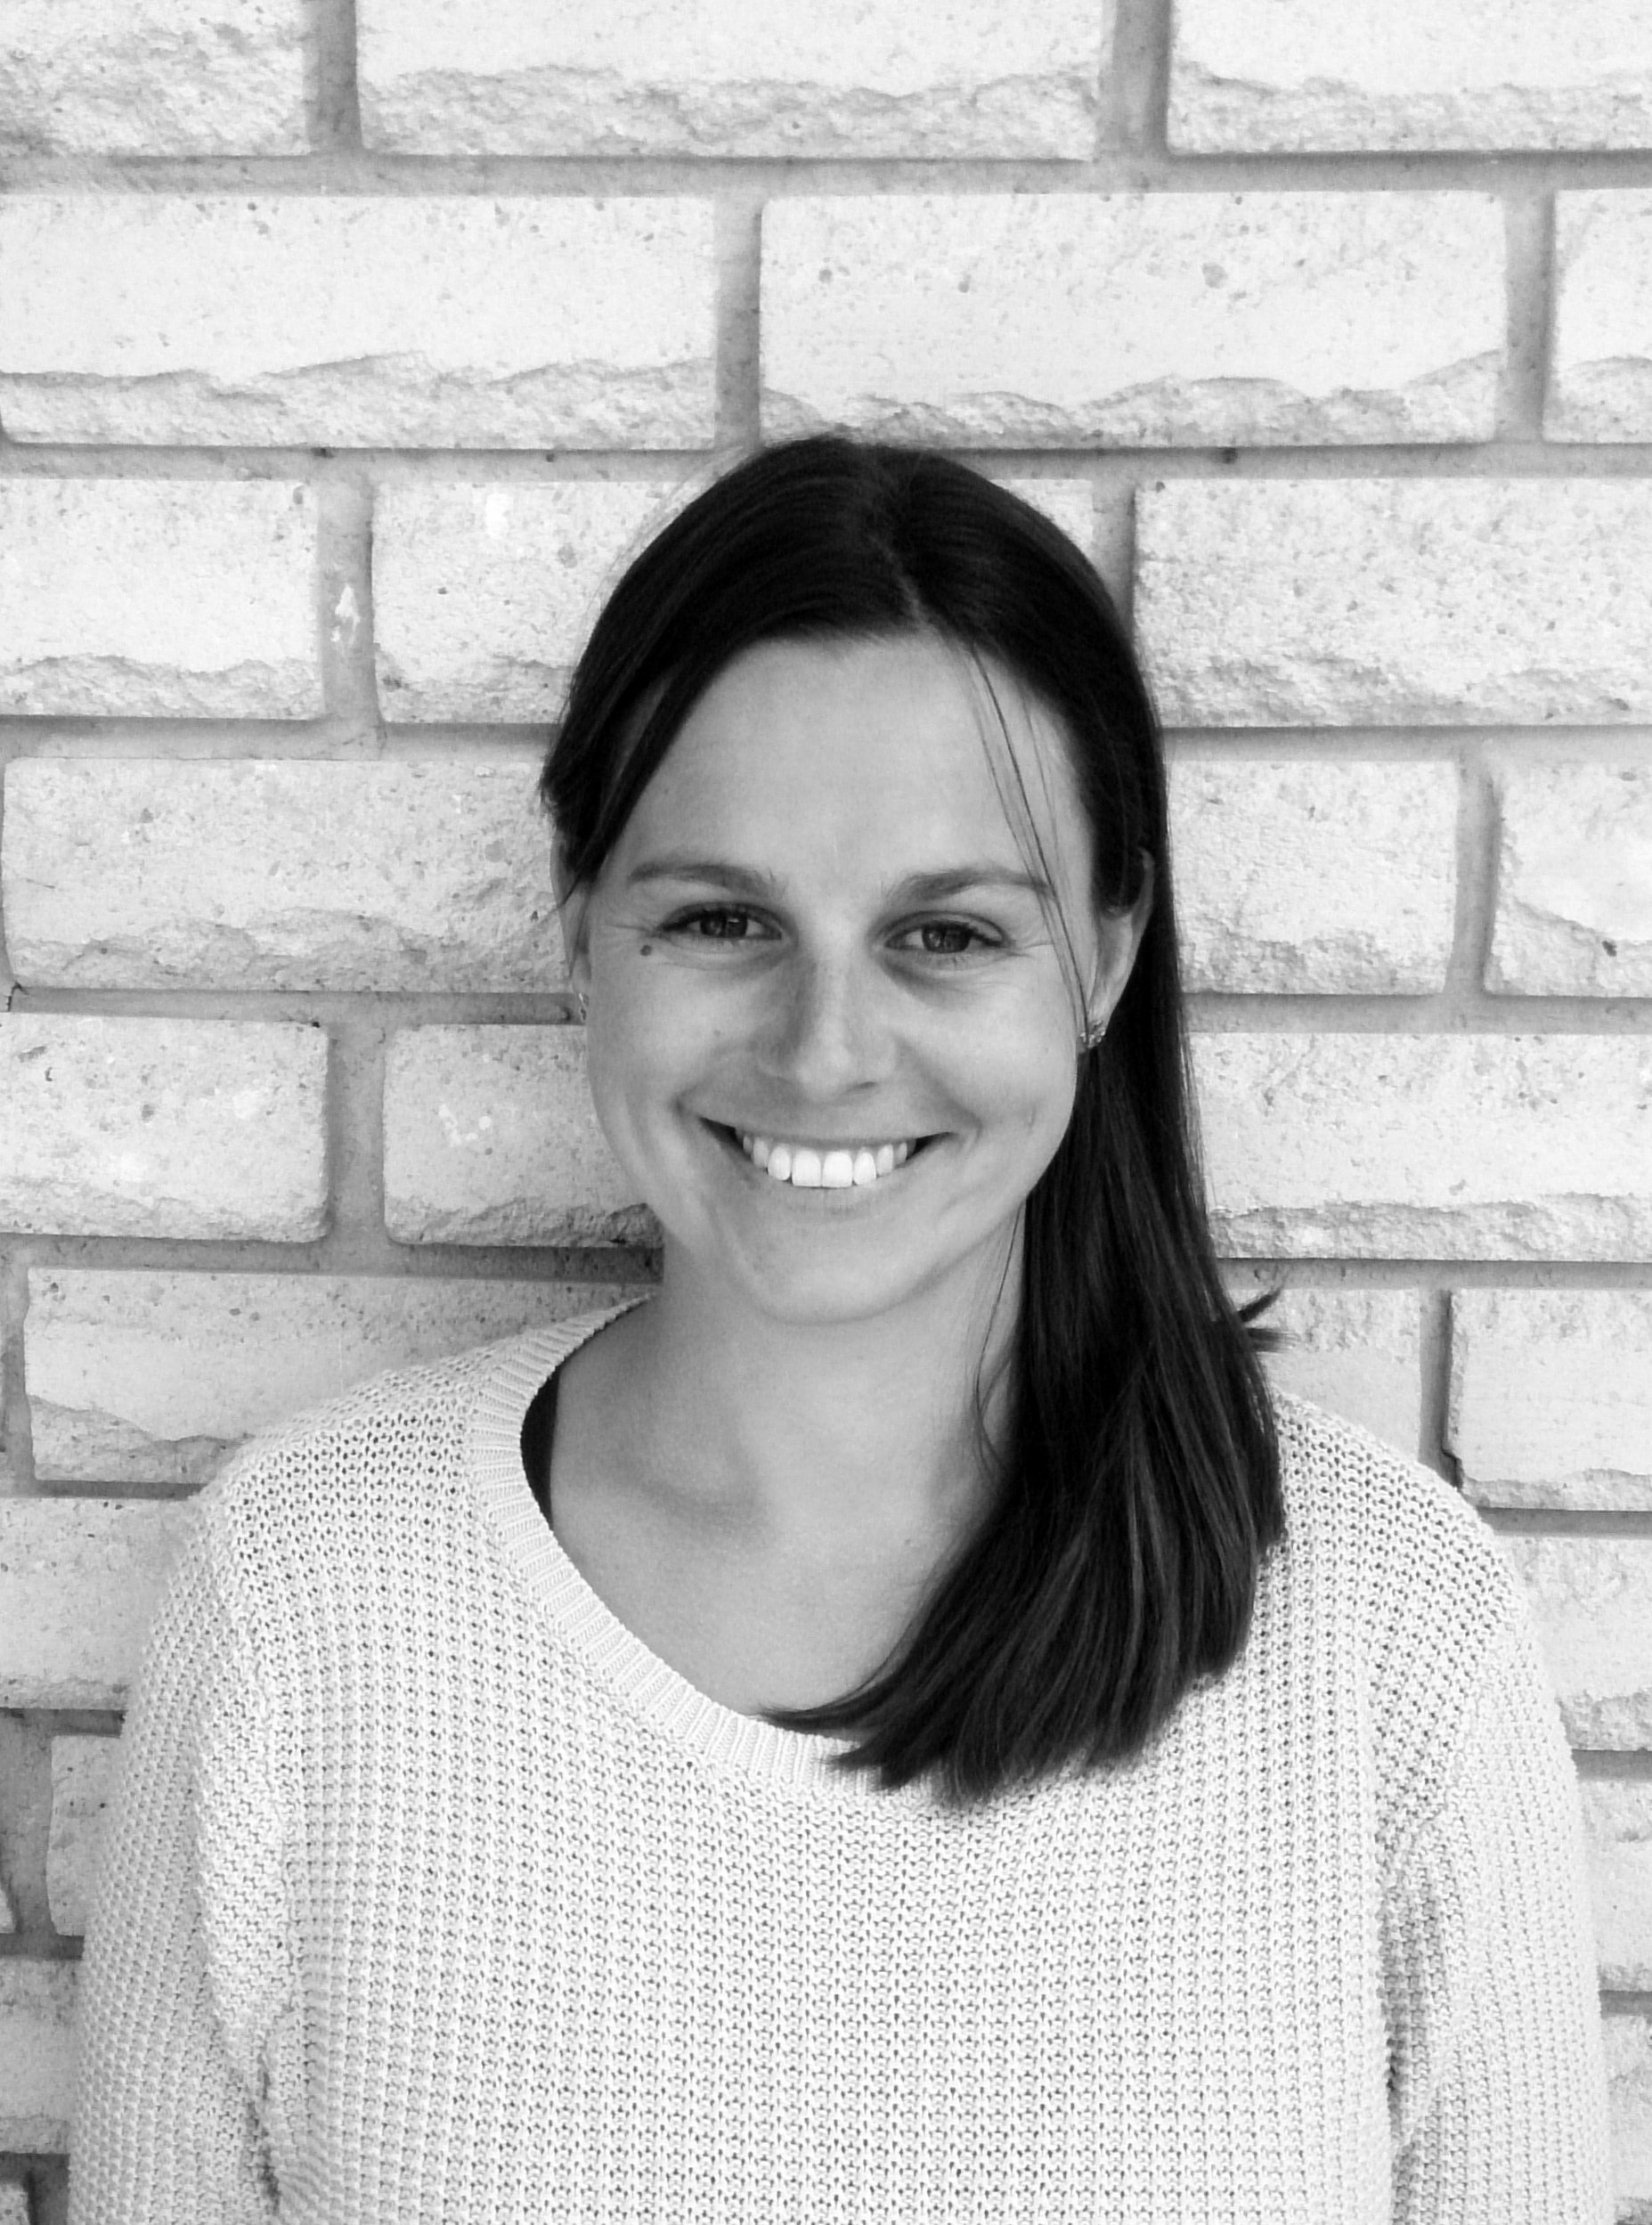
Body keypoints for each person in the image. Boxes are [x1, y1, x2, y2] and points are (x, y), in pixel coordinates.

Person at [69, 436, 1611, 2221]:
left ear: (1105, 957)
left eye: (945, 932)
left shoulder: (1390, 1645)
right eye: (721, 918)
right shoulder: (299, 1605)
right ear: (579, 930)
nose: (821, 1050)